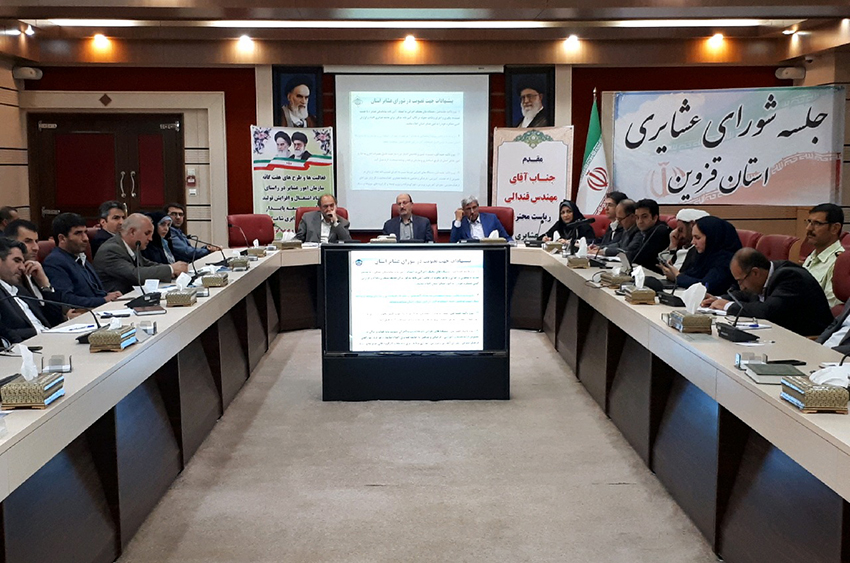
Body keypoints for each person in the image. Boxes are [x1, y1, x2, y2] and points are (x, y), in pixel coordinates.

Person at [702, 247, 833, 337]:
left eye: (740, 281)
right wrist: (717, 299)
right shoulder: (765, 276)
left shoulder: (790, 277)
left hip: (807, 340)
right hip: (781, 335)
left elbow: (767, 312)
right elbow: (744, 294)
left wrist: (727, 305)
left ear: (755, 272)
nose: (741, 287)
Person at [94, 213, 189, 294]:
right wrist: (171, 269)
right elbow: (135, 275)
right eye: (147, 233)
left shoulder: (132, 245)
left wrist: (172, 269)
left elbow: (146, 264)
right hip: (113, 302)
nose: (150, 239)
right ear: (132, 232)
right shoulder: (111, 250)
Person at [43, 213, 122, 309]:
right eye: (78, 233)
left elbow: (94, 291)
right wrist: (104, 300)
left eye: (85, 232)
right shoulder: (54, 262)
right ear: (62, 238)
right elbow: (66, 299)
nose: (86, 238)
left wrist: (109, 295)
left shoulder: (79, 256)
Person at [0, 237, 63, 343]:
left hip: (51, 340)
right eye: (16, 261)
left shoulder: (20, 291)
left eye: (23, 262)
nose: (22, 267)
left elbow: (55, 320)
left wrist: (44, 284)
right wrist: (39, 331)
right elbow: (4, 334)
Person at [658, 215, 741, 295]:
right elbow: (691, 274)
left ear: (712, 238)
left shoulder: (726, 261)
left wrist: (678, 277)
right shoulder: (704, 254)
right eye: (693, 237)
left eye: (697, 238)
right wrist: (673, 274)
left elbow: (706, 285)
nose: (692, 242)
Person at [801, 203, 845, 308]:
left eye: (817, 224)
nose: (808, 228)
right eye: (809, 222)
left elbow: (831, 307)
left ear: (835, 228)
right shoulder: (812, 256)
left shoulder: (839, 263)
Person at [4, 218, 52, 299]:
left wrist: (45, 285)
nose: (36, 248)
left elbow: (55, 306)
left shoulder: (36, 271)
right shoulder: (9, 276)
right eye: (28, 241)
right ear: (11, 242)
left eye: (36, 241)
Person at [622, 198, 671, 272]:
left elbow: (639, 258)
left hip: (656, 273)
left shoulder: (660, 231)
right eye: (637, 217)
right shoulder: (642, 231)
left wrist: (624, 255)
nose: (640, 221)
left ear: (655, 217)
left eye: (644, 217)